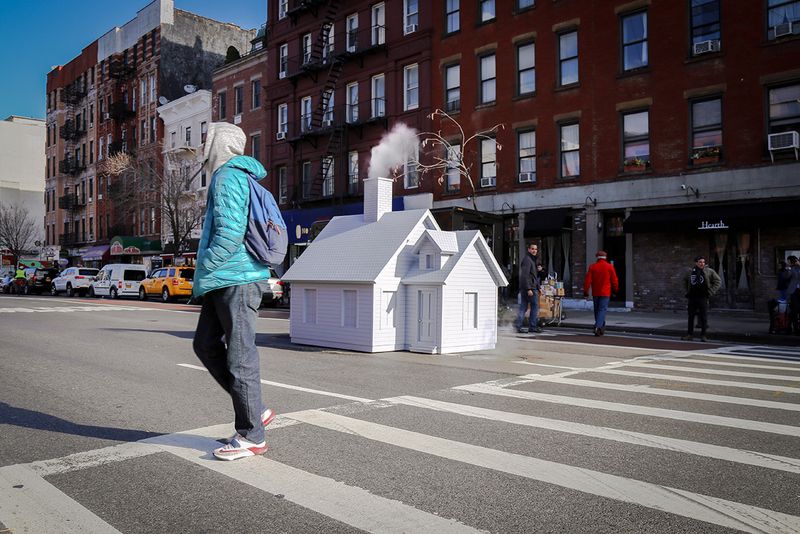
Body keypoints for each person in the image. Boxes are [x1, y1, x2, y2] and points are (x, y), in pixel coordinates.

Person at [192, 122, 276, 461]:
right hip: (226, 280)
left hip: (235, 278)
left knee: (241, 356)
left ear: (218, 144)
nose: (202, 147)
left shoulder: (227, 177)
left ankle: (251, 435)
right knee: (205, 345)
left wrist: (207, 264)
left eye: (206, 140)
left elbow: (229, 233)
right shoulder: (236, 178)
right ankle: (255, 410)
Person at [681, 255, 721, 342]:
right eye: (700, 262)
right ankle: (689, 335)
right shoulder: (690, 272)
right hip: (692, 297)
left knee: (704, 317)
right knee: (691, 317)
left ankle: (703, 336)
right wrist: (686, 291)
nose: (702, 264)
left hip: (703, 297)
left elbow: (718, 281)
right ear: (696, 263)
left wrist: (710, 291)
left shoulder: (709, 271)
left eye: (703, 262)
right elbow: (684, 281)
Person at [583, 250, 619, 336]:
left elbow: (587, 281)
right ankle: (598, 326)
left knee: (597, 310)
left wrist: (586, 292)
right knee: (602, 310)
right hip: (606, 292)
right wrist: (616, 289)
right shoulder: (609, 267)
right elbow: (615, 280)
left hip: (596, 292)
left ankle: (600, 328)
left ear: (597, 258)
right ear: (605, 258)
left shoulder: (592, 267)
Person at [515, 242, 542, 333]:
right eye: (533, 249)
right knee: (534, 307)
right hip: (529, 288)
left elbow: (533, 276)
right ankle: (532, 327)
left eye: (536, 249)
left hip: (530, 287)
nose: (534, 251)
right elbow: (525, 276)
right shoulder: (528, 260)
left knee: (524, 307)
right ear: (529, 250)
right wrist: (529, 289)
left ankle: (519, 326)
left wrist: (538, 287)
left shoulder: (532, 260)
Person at [788, 256, 800, 334]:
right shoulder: (793, 269)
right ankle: (794, 328)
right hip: (795, 291)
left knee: (796, 310)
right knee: (794, 310)